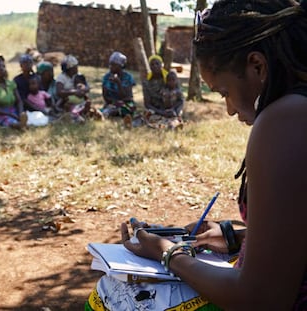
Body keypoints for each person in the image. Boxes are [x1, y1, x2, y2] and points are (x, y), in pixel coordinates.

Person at [86, 0, 307, 310]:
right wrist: (236, 237)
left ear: (257, 66)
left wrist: (168, 253)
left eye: (224, 92)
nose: (229, 109)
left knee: (108, 296)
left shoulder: (285, 120)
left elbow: (260, 298)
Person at [0, 53, 27, 129]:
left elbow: (19, 101)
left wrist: (20, 112)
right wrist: (9, 114)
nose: (2, 69)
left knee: (22, 116)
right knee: (8, 120)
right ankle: (18, 125)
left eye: (3, 66)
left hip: (12, 109)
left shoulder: (11, 84)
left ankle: (21, 123)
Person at [141, 55, 184, 129]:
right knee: (150, 116)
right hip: (156, 109)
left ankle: (174, 123)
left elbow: (180, 98)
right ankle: (165, 124)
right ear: (150, 67)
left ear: (161, 65)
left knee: (175, 116)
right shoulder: (146, 83)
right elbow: (147, 103)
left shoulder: (170, 78)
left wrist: (173, 110)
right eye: (152, 64)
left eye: (157, 64)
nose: (155, 66)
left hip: (171, 108)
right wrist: (161, 112)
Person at [101, 51, 137, 119]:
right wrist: (113, 102)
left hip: (126, 104)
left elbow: (128, 97)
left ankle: (114, 112)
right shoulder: (106, 77)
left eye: (114, 65)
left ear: (121, 65)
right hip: (111, 104)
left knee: (129, 109)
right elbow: (105, 96)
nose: (111, 67)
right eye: (110, 64)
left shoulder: (128, 77)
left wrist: (118, 83)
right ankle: (112, 112)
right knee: (107, 109)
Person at [55, 55, 91, 122]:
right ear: (70, 68)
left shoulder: (78, 75)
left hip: (79, 100)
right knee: (67, 105)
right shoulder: (61, 77)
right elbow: (59, 92)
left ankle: (81, 113)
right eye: (75, 66)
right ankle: (72, 116)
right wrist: (74, 92)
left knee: (87, 103)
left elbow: (88, 87)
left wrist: (82, 90)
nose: (77, 68)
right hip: (67, 100)